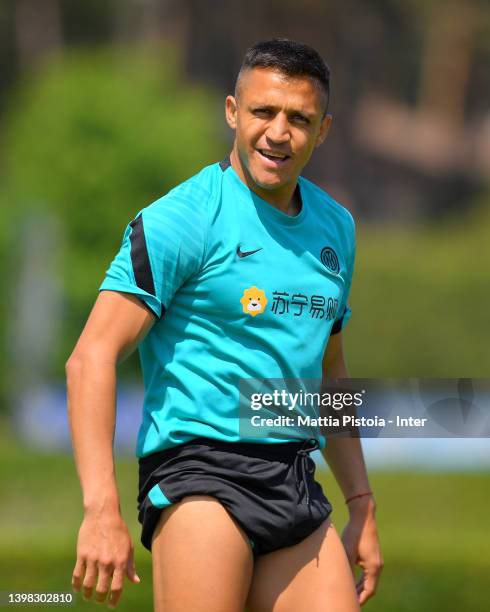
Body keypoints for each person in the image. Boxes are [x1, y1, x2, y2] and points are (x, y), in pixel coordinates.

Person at [67, 38, 383, 611]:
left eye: (299, 118)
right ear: (234, 112)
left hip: (292, 475)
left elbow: (330, 374)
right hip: (200, 474)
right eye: (264, 112)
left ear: (324, 129)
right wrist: (100, 511)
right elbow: (91, 357)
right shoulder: (181, 219)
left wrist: (360, 500)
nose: (278, 132)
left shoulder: (337, 228)